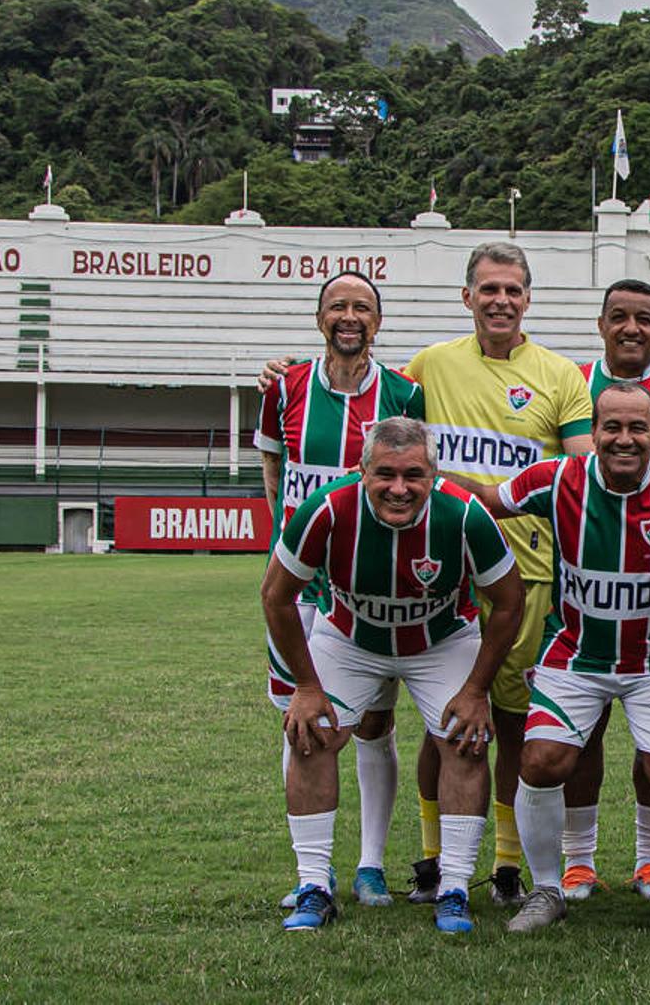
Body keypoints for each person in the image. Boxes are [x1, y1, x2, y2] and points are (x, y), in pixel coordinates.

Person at [449, 382, 650, 939]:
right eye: (612, 428)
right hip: (575, 653)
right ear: (592, 433)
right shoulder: (556, 478)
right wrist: (418, 477)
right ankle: (547, 888)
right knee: (541, 760)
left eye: (637, 428)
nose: (624, 439)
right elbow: (484, 499)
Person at [262, 418, 525, 936]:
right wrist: (309, 688)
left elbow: (510, 601)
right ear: (362, 472)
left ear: (434, 474)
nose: (399, 489)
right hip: (350, 639)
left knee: (465, 740)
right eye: (385, 474)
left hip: (440, 641)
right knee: (311, 733)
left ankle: (452, 888)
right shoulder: (328, 510)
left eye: (413, 475)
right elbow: (276, 595)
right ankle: (314, 884)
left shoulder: (465, 514)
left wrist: (475, 690)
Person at [403, 242, 593, 906]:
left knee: (513, 721)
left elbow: (582, 471)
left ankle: (508, 862)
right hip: (440, 569)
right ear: (468, 297)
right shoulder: (430, 364)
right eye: (489, 289)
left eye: (513, 289)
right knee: (443, 722)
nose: (501, 300)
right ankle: (431, 856)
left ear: (528, 299)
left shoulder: (561, 375)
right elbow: (378, 420)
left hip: (527, 572)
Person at [255, 270, 423, 910]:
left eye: (362, 307)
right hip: (302, 588)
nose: (349, 316)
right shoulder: (284, 388)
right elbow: (275, 470)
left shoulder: (405, 394)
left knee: (376, 723)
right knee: (305, 724)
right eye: (337, 306)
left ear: (377, 322)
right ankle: (312, 874)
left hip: (368, 583)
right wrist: (292, 544)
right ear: (320, 317)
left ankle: (371, 864)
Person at [563, 279, 650, 903]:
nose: (630, 328)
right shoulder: (568, 382)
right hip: (579, 585)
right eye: (618, 316)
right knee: (579, 738)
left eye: (643, 318)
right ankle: (578, 862)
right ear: (600, 323)